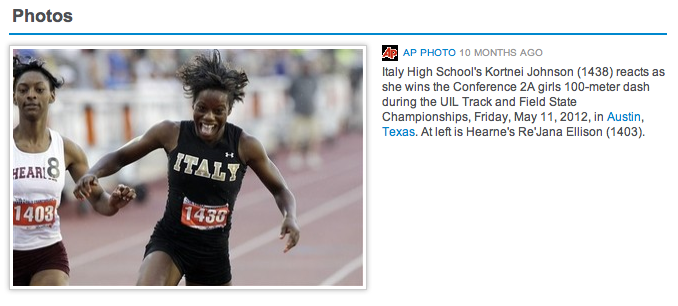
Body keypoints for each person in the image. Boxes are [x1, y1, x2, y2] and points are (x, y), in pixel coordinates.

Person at [74, 49, 300, 286]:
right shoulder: (171, 133)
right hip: (171, 242)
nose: (208, 118)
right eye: (201, 108)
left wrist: (290, 217)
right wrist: (92, 173)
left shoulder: (245, 146)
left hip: (213, 252)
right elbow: (120, 156)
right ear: (193, 104)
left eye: (218, 111)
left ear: (229, 111)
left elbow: (280, 189)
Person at [12, 54, 137, 286]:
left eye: (39, 89)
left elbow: (100, 200)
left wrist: (114, 202)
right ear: (14, 96)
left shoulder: (68, 150)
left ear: (52, 96)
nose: (31, 95)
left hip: (47, 254)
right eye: (23, 89)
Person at [286, 59, 323, 170]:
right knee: (295, 135)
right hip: (299, 111)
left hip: (311, 110)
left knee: (315, 134)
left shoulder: (314, 78)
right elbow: (290, 92)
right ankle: (295, 155)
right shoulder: (296, 79)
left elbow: (315, 91)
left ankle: (313, 155)